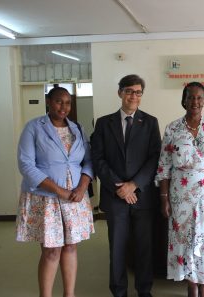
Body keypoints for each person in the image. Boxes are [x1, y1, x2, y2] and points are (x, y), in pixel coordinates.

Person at [155, 82, 204, 297]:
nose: (195, 102)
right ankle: (191, 287)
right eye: (190, 97)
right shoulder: (172, 129)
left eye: (199, 98)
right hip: (182, 199)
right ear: (184, 100)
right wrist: (164, 198)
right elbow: (164, 165)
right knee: (185, 242)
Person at [16, 86, 94, 297]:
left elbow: (89, 160)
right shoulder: (34, 127)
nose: (63, 107)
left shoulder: (77, 128)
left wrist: (83, 185)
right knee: (51, 251)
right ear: (48, 102)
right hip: (47, 197)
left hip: (74, 198)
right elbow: (26, 165)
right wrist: (59, 190)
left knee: (70, 247)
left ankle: (69, 294)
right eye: (59, 101)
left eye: (68, 102)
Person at [91, 74, 161, 297]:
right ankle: (119, 291)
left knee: (144, 248)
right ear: (120, 92)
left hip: (142, 196)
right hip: (115, 197)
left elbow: (155, 158)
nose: (133, 96)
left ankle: (144, 290)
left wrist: (134, 185)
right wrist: (119, 187)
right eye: (129, 91)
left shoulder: (150, 122)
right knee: (117, 249)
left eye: (138, 92)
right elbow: (98, 159)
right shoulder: (104, 123)